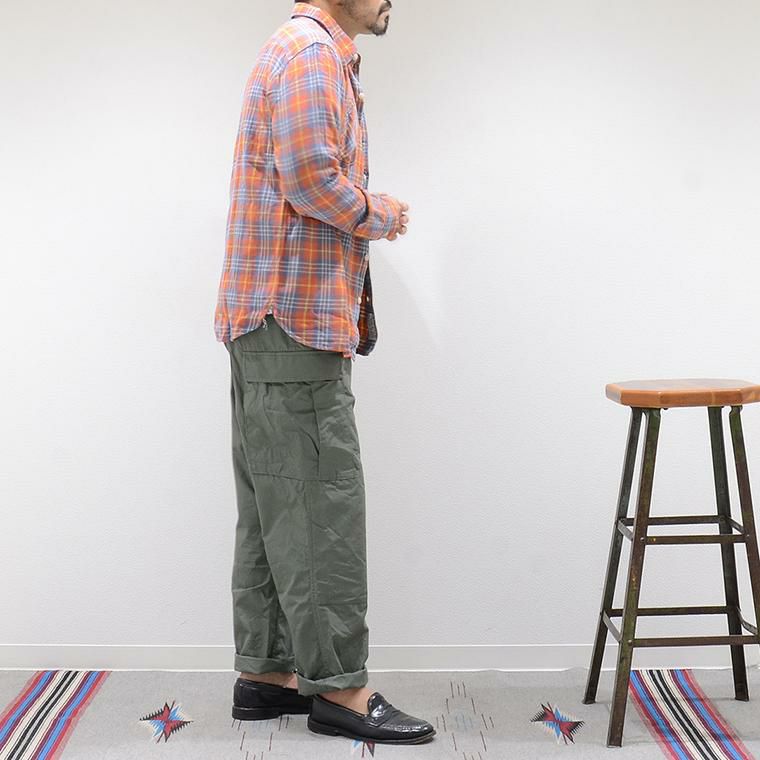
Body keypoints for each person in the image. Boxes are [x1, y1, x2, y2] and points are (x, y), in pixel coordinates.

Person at [213, 0, 435, 746]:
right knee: (322, 508)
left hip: (269, 324)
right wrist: (382, 212)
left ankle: (268, 674)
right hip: (294, 323)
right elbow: (311, 181)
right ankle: (340, 689)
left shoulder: (298, 49)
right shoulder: (312, 56)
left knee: (274, 506)